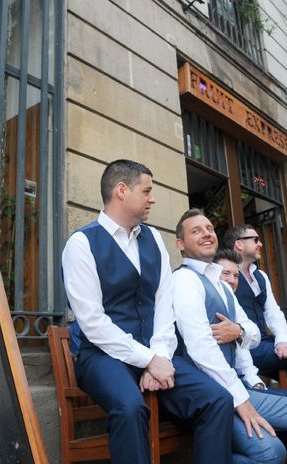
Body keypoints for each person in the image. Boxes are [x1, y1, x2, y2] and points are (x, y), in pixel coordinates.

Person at [62, 160, 234, 464]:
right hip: (102, 356)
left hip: (156, 351)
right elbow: (93, 323)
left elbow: (163, 305)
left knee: (217, 399)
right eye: (147, 191)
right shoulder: (81, 244)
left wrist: (161, 356)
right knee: (130, 407)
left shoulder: (153, 238)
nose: (153, 198)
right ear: (121, 191)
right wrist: (149, 360)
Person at [173, 209, 287, 464]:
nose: (206, 234)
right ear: (180, 244)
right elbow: (201, 349)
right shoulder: (184, 281)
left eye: (209, 229)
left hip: (236, 386)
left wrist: (239, 330)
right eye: (196, 231)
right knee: (271, 452)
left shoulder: (220, 284)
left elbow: (255, 334)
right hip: (210, 394)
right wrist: (242, 398)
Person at [223, 224, 287, 408]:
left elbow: (273, 312)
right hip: (245, 347)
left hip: (264, 342)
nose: (260, 244)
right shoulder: (227, 276)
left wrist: (283, 340)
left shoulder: (260, 275)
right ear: (239, 244)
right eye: (255, 239)